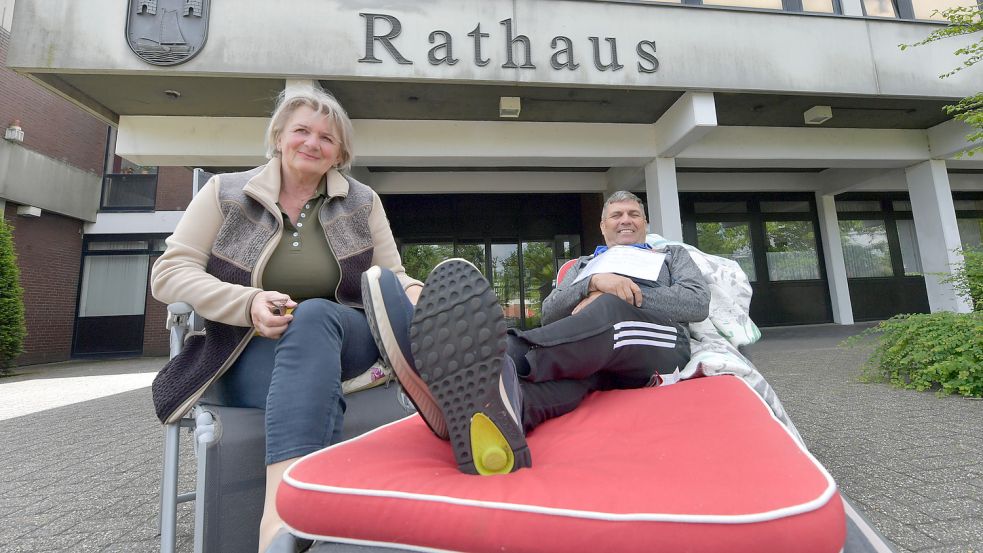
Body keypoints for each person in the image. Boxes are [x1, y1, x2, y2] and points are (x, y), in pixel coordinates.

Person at [150, 88, 422, 553]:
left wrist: (424, 298)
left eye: (327, 138)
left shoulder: (362, 201)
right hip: (249, 351)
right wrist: (247, 302)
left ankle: (280, 522)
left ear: (340, 153)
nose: (313, 144)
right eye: (302, 131)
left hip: (348, 341)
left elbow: (390, 277)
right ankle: (315, 514)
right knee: (309, 358)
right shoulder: (226, 194)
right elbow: (169, 273)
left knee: (316, 314)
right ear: (279, 136)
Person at [363, 191, 710, 476]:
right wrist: (592, 282)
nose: (626, 220)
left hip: (656, 343)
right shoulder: (582, 265)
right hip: (597, 356)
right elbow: (550, 312)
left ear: (645, 223)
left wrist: (615, 291)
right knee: (575, 380)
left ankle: (495, 356)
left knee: (611, 313)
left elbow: (696, 304)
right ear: (603, 226)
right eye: (617, 215)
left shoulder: (669, 255)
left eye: (634, 214)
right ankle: (495, 416)